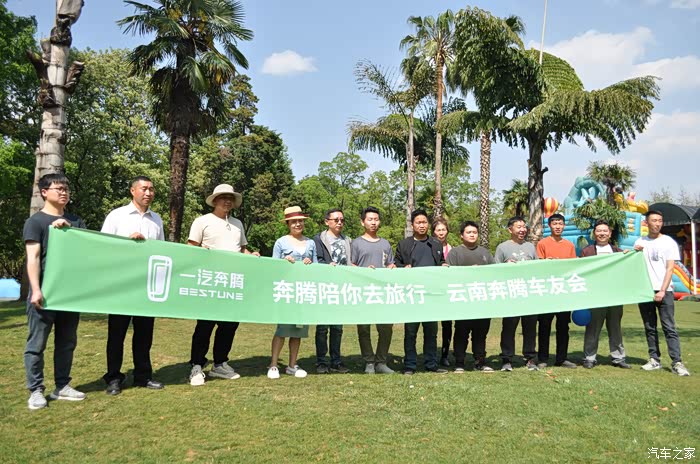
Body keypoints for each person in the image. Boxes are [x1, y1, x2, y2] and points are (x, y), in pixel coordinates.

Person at [23, 173, 87, 409]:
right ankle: (35, 390)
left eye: (66, 189)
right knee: (36, 344)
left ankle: (62, 386)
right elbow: (33, 258)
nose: (63, 192)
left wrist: (69, 233)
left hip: (69, 295)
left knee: (67, 342)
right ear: (44, 192)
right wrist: (36, 290)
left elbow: (86, 252)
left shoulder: (76, 221)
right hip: (44, 294)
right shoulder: (36, 222)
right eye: (58, 188)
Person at [187, 184, 259, 386]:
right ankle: (197, 365)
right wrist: (202, 252)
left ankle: (219, 364)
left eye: (230, 198)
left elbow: (242, 249)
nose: (227, 201)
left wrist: (251, 255)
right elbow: (191, 248)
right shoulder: (202, 221)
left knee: (229, 325)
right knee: (205, 325)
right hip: (210, 281)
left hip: (233, 282)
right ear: (215, 200)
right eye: (223, 197)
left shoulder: (237, 224)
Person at [101, 176, 165, 394]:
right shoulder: (117, 216)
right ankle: (113, 378)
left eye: (151, 189)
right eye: (144, 189)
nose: (148, 193)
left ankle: (143, 376)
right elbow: (103, 246)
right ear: (132, 191)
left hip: (146, 286)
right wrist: (127, 243)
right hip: (121, 285)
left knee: (144, 334)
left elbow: (161, 251)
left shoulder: (156, 220)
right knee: (116, 334)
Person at [634, 210, 690, 376]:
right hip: (645, 291)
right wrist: (634, 252)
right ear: (646, 223)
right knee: (649, 327)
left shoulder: (668, 242)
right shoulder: (640, 242)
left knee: (669, 327)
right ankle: (654, 359)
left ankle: (677, 362)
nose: (657, 224)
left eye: (660, 220)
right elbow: (635, 265)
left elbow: (670, 268)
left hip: (665, 291)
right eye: (654, 220)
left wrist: (662, 290)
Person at [395, 209, 448, 375]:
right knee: (410, 332)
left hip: (431, 296)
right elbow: (396, 265)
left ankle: (431, 364)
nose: (422, 225)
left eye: (424, 222)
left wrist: (444, 266)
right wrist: (403, 268)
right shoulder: (404, 244)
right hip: (412, 295)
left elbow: (441, 262)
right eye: (418, 222)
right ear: (412, 225)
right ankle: (410, 365)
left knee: (431, 333)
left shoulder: (436, 244)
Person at [267, 206, 317, 379]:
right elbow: (273, 267)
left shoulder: (310, 243)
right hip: (286, 291)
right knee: (282, 329)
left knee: (298, 331)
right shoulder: (281, 242)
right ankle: (273, 365)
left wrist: (310, 263)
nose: (298, 224)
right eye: (294, 221)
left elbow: (317, 267)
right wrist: (283, 261)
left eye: (300, 221)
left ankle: (292, 365)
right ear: (288, 224)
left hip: (303, 291)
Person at [351, 206, 397, 374]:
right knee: (364, 328)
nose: (373, 223)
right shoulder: (356, 243)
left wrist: (392, 267)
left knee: (386, 328)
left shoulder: (385, 243)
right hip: (363, 292)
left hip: (383, 293)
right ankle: (369, 361)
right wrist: (364, 271)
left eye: (376, 219)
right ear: (362, 222)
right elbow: (351, 266)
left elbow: (390, 263)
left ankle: (381, 361)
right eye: (370, 219)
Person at [580, 220, 630, 369]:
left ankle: (618, 358)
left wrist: (632, 254)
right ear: (594, 233)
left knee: (615, 328)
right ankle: (589, 358)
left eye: (605, 231)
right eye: (599, 231)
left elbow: (626, 269)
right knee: (593, 328)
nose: (602, 233)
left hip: (614, 296)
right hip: (595, 296)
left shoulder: (619, 252)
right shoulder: (587, 252)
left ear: (610, 233)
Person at [447, 221, 495, 372]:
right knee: (461, 332)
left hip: (482, 299)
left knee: (480, 333)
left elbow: (495, 273)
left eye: (474, 232)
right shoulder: (455, 253)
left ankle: (480, 361)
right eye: (468, 232)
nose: (472, 235)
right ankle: (459, 362)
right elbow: (449, 276)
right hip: (463, 300)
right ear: (461, 235)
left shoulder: (485, 253)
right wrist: (469, 272)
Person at [495, 216, 539, 372]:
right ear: (510, 229)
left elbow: (538, 268)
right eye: (518, 227)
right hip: (511, 294)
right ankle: (507, 359)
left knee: (530, 328)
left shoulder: (530, 247)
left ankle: (530, 358)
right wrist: (504, 266)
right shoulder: (502, 247)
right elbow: (494, 271)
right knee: (509, 328)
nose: (522, 230)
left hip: (529, 294)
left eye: (524, 227)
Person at [535, 213, 577, 369]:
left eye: (560, 223)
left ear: (564, 226)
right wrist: (547, 263)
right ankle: (543, 358)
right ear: (549, 226)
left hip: (563, 292)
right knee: (544, 326)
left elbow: (573, 267)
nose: (558, 226)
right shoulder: (542, 243)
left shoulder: (569, 245)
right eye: (555, 224)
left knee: (563, 327)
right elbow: (538, 265)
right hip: (547, 291)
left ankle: (561, 358)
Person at [312, 208, 351, 374]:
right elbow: (316, 260)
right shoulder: (318, 240)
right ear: (326, 221)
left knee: (337, 328)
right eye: (336, 220)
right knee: (322, 328)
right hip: (324, 287)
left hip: (341, 289)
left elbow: (350, 262)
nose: (339, 223)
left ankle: (336, 361)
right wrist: (327, 266)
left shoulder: (347, 240)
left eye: (342, 220)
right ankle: (321, 362)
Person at [432, 218, 454, 367]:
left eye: (443, 230)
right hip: (432, 291)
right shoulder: (429, 246)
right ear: (433, 232)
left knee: (447, 325)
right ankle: (431, 354)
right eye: (438, 230)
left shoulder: (451, 249)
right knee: (431, 326)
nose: (441, 233)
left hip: (447, 292)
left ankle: (445, 355)